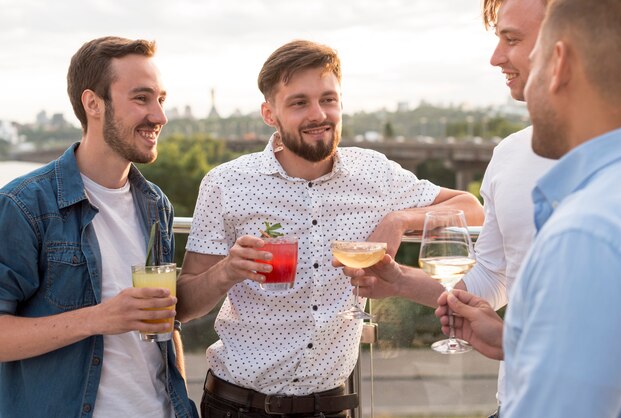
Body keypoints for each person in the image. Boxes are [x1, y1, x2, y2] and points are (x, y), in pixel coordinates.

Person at [176, 39, 483, 417]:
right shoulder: (226, 184)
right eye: (299, 102)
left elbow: (471, 208)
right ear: (269, 113)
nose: (318, 113)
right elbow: (185, 306)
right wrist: (227, 272)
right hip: (237, 406)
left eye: (328, 99)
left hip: (333, 406)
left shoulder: (374, 173)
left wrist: (399, 219)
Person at [339, 0, 554, 414]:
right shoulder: (509, 155)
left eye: (512, 39)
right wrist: (400, 280)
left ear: (565, 40)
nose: (495, 58)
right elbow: (493, 279)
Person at [437, 0, 621, 416]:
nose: (495, 59)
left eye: (519, 43)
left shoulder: (587, 230)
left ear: (558, 63)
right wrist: (516, 342)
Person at [0, 36, 197, 418]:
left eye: (161, 99)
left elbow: (166, 326)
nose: (159, 116)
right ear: (93, 103)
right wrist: (101, 318)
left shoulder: (156, 204)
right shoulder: (24, 206)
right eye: (141, 99)